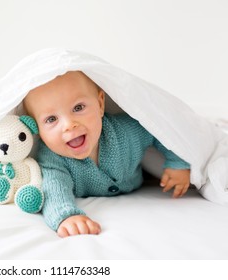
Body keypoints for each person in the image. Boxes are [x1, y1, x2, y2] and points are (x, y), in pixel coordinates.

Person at [23, 71, 191, 238]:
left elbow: (159, 129)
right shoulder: (51, 156)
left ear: (100, 104)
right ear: (37, 128)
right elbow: (54, 187)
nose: (69, 125)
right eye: (51, 119)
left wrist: (177, 162)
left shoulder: (126, 131)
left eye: (78, 108)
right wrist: (67, 216)